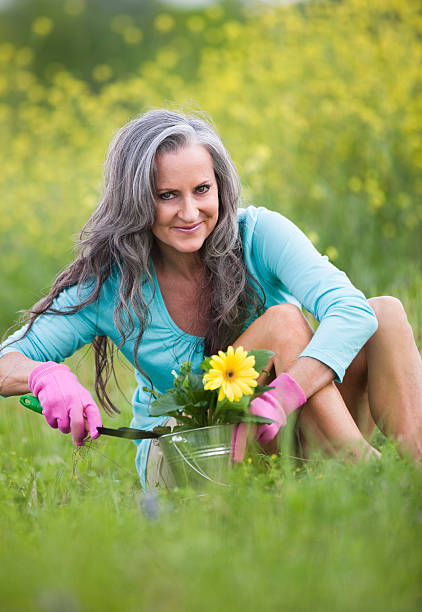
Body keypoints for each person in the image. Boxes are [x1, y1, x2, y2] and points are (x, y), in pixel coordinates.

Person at [1, 109, 421, 489]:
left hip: (277, 427)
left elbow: (350, 310)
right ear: (136, 202)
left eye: (202, 189)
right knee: (285, 324)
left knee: (384, 312)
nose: (190, 212)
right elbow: (7, 360)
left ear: (220, 186)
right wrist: (44, 377)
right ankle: (367, 472)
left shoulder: (257, 234)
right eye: (167, 195)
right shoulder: (112, 285)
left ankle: (411, 471)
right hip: (187, 455)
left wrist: (285, 394)